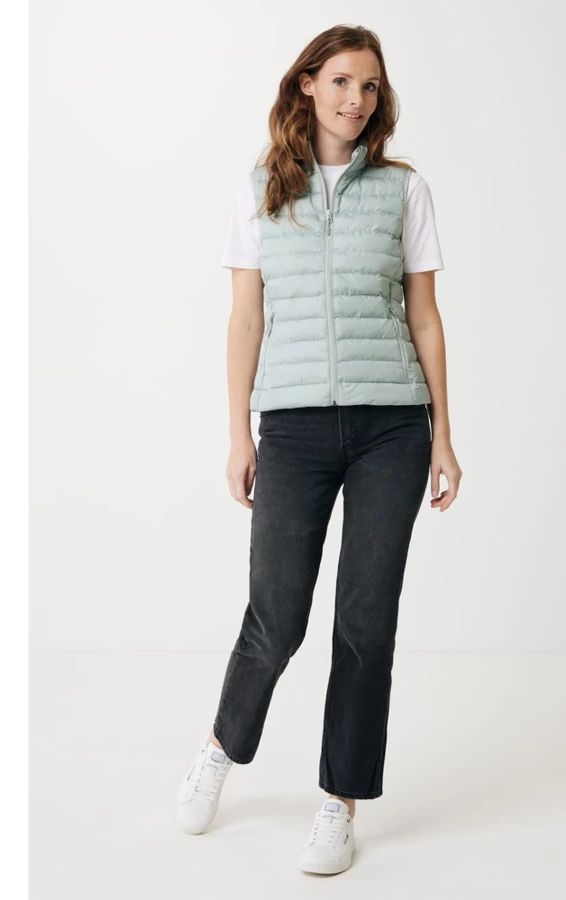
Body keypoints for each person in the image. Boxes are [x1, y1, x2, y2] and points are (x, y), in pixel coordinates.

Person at [174, 24, 462, 875]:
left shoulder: (404, 191)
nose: (355, 100)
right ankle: (221, 747)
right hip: (294, 428)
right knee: (277, 616)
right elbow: (246, 318)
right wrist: (240, 431)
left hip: (392, 428)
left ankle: (340, 801)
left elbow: (424, 318)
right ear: (306, 84)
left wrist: (445, 434)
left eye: (369, 86)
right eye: (340, 81)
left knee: (366, 624)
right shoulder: (261, 190)